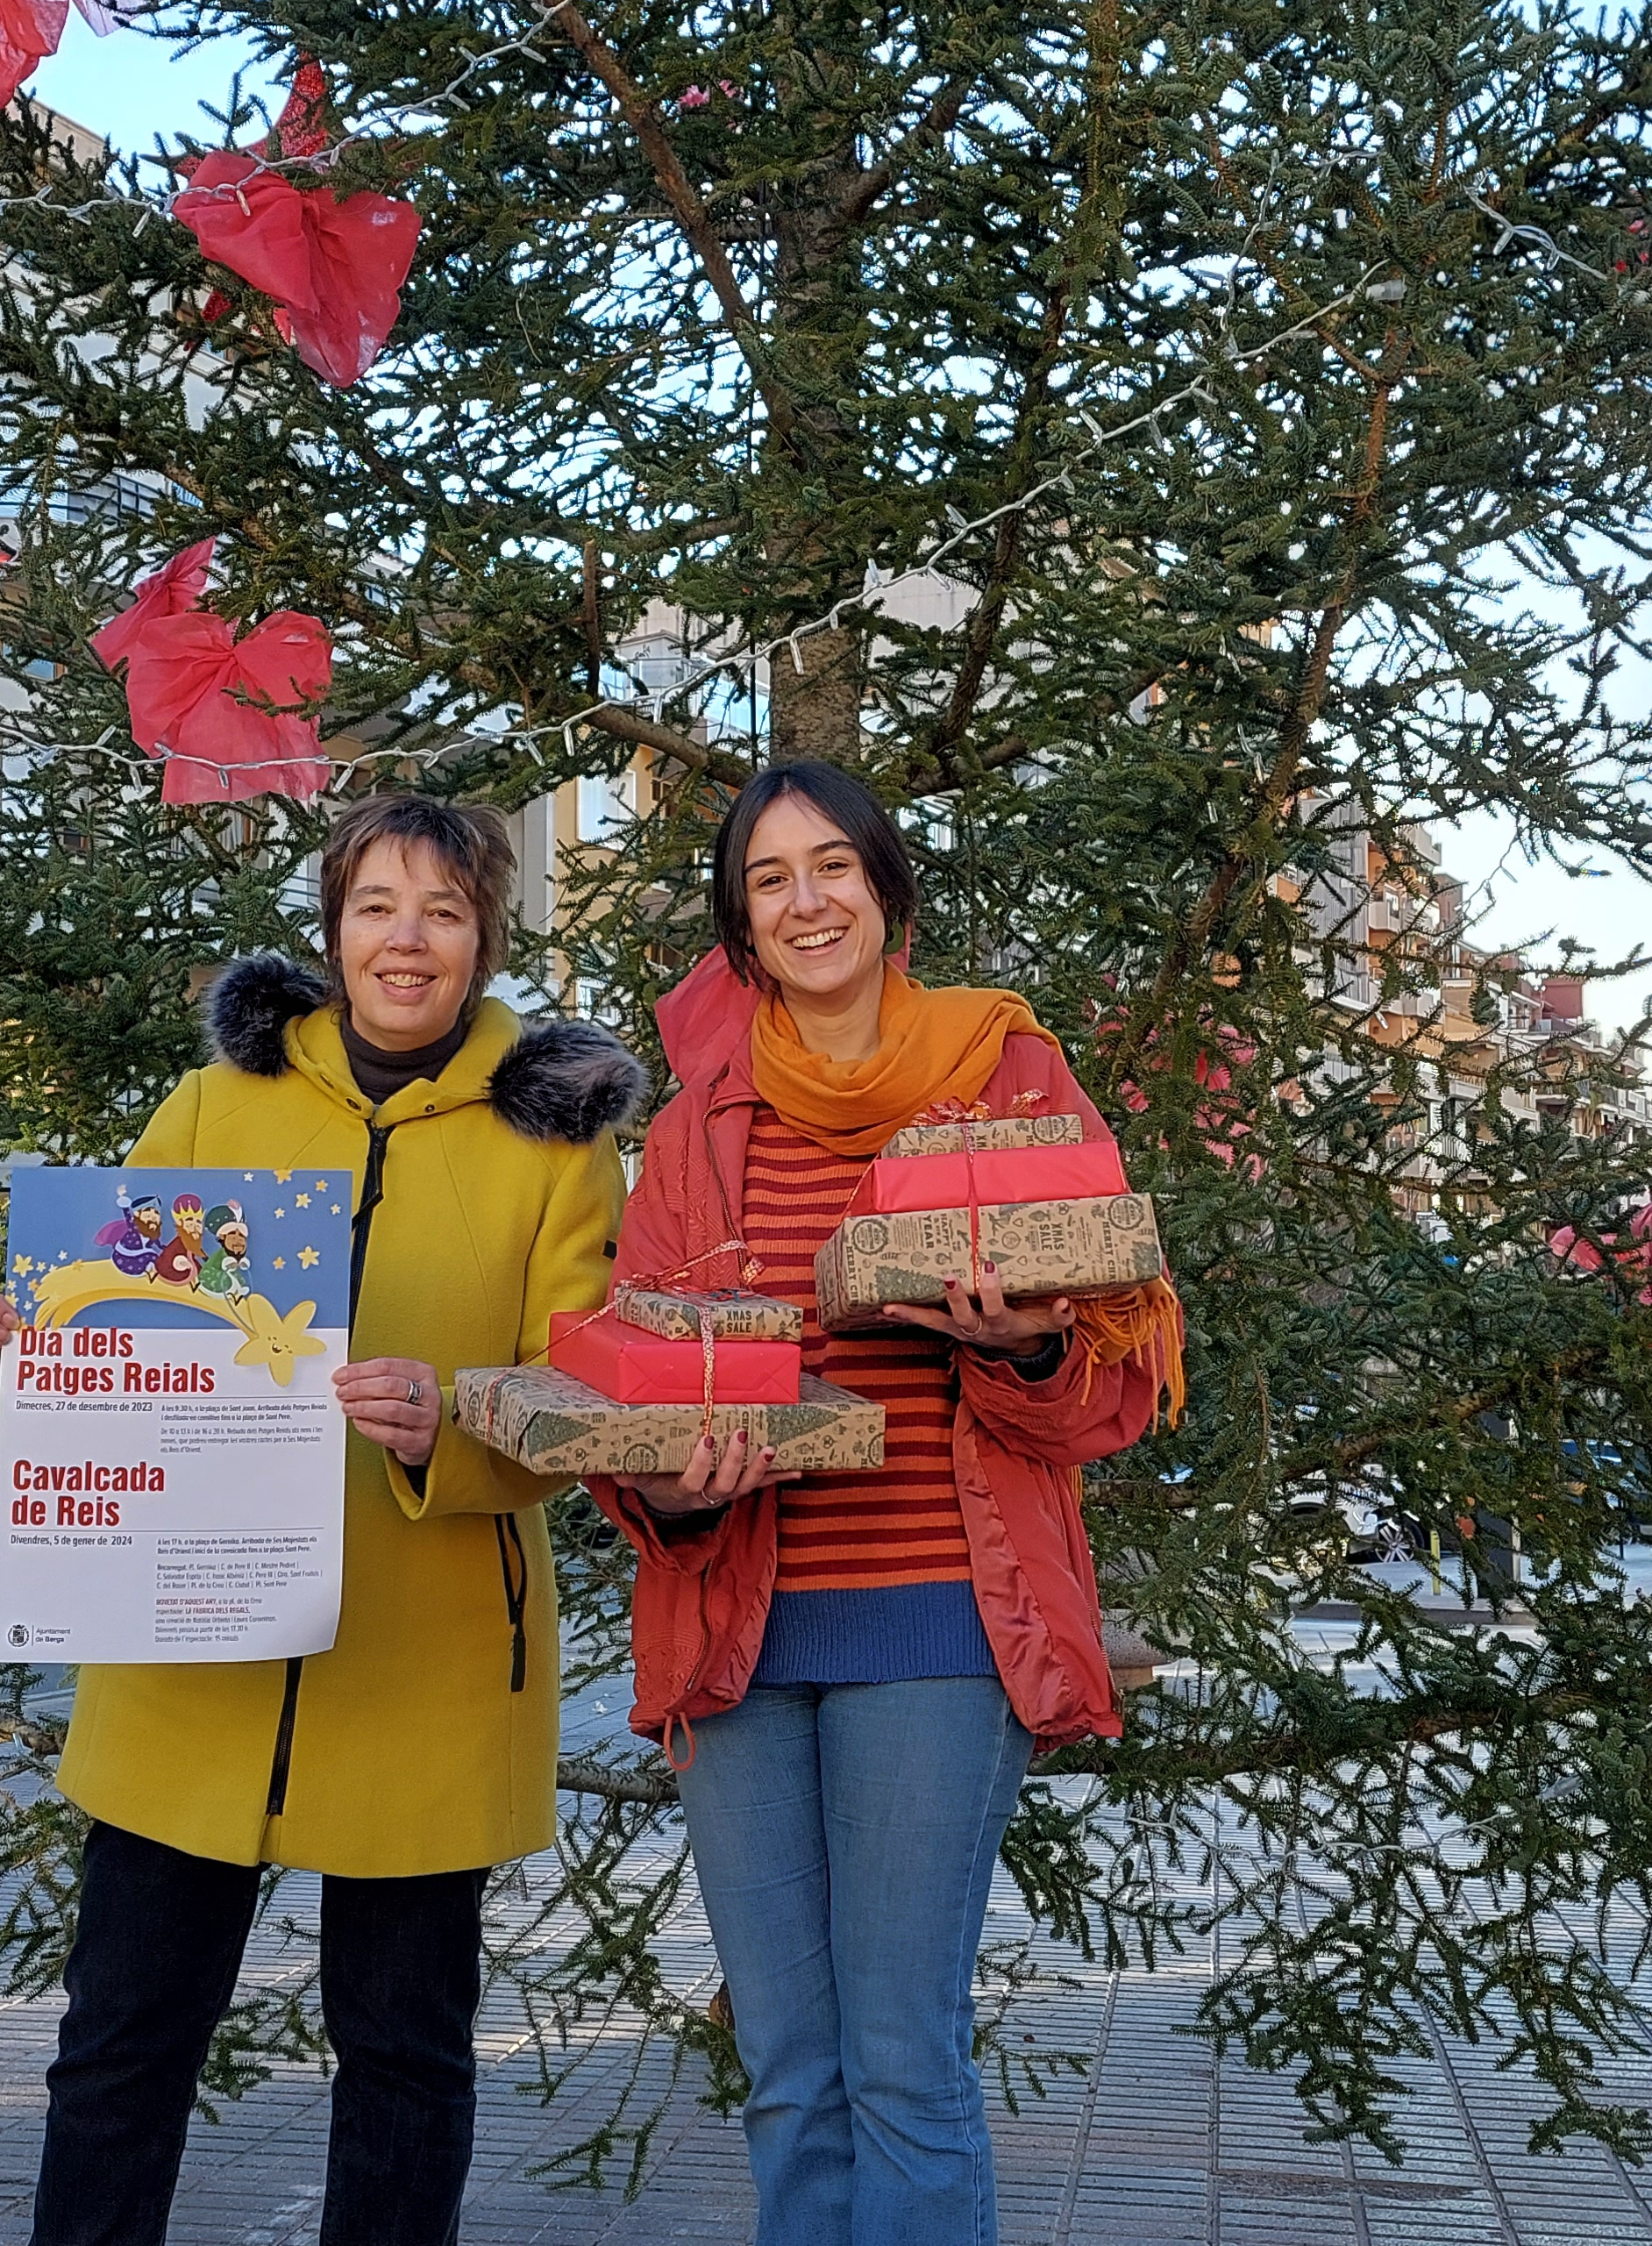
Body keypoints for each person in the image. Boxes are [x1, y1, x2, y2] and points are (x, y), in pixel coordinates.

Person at [0, 794, 647, 2246]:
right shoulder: (214, 1106)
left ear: (486, 939)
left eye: (444, 911)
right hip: (192, 1659)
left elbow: (585, 1398)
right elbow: (104, 1333)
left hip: (425, 1667)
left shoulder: (557, 1142)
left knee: (405, 2066)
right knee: (118, 2056)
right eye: (377, 906)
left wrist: (458, 1419)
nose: (408, 939)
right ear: (332, 930)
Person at [587, 759, 1181, 2246]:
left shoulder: (1007, 1072)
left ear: (888, 890)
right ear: (742, 924)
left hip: (936, 1628)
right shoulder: (694, 1129)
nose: (808, 901)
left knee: (904, 2064)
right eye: (772, 879)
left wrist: (1024, 1340)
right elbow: (632, 1379)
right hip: (744, 1636)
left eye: (833, 866)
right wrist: (689, 1490)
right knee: (790, 2071)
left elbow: (1107, 1389)